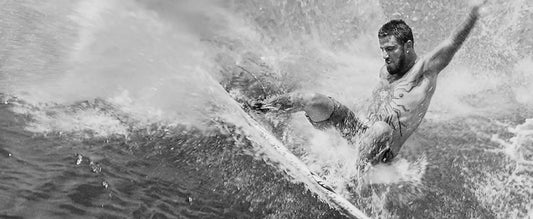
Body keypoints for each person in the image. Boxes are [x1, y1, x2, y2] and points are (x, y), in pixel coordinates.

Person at [253, 1, 487, 167]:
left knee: (381, 129)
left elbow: (452, 43)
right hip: (360, 133)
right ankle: (259, 108)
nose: (385, 55)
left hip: (381, 150)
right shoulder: (386, 72)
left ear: (408, 46)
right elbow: (372, 108)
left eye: (390, 49)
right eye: (382, 50)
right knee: (311, 99)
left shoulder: (425, 71)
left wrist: (473, 14)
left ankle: (348, 181)